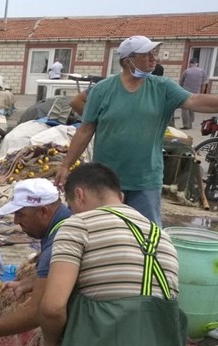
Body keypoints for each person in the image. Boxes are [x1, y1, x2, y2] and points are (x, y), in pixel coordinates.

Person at [39, 162, 185, 346]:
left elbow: (53, 307)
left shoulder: (78, 226)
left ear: (78, 195)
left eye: (71, 204)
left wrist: (51, 341)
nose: (72, 211)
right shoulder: (162, 238)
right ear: (120, 196)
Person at [56, 35, 218, 225]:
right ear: (128, 60)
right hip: (105, 180)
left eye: (154, 53)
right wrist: (66, 165)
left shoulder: (163, 87)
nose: (153, 58)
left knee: (146, 234)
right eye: (147, 54)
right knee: (103, 231)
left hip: (145, 179)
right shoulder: (102, 90)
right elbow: (85, 130)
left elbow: (194, 100)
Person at [0, 179, 70, 343]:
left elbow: (36, 313)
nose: (16, 221)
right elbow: (59, 274)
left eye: (20, 214)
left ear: (44, 212)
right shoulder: (65, 222)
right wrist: (25, 284)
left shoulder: (58, 242)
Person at [179, 59, 209, 129]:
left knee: (185, 108)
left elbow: (181, 82)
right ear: (197, 63)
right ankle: (191, 121)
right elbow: (204, 84)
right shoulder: (202, 71)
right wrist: (202, 93)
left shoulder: (186, 71)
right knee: (192, 107)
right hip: (196, 93)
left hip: (185, 92)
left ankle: (186, 125)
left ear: (190, 63)